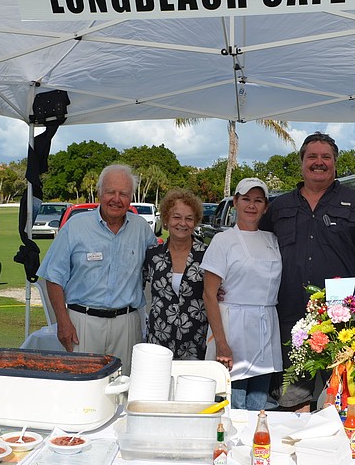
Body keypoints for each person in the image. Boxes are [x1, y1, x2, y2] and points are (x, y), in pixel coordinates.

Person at [260, 132, 355, 411]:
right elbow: (255, 255)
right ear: (301, 163)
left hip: (344, 325)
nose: (318, 162)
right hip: (290, 323)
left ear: (335, 163)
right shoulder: (280, 208)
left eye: (325, 157)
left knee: (347, 400)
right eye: (312, 157)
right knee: (293, 402)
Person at [37, 164, 156, 375]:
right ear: (100, 192)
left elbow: (164, 262)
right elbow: (53, 278)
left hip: (127, 325)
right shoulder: (75, 227)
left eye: (123, 194)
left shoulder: (142, 229)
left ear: (131, 198)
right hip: (82, 324)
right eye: (111, 192)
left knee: (123, 389)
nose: (116, 199)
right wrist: (63, 322)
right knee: (81, 390)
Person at [202, 178, 283, 410]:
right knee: (232, 405)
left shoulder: (272, 240)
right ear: (235, 202)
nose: (252, 205)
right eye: (246, 199)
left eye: (258, 201)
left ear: (266, 207)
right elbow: (209, 294)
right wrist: (221, 343)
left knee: (259, 407)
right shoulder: (222, 241)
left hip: (265, 332)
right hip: (232, 330)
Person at [143, 189, 208, 360]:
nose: (182, 223)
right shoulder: (153, 254)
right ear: (166, 220)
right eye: (177, 217)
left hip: (195, 342)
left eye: (189, 218)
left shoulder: (208, 255)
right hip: (158, 341)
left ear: (195, 222)